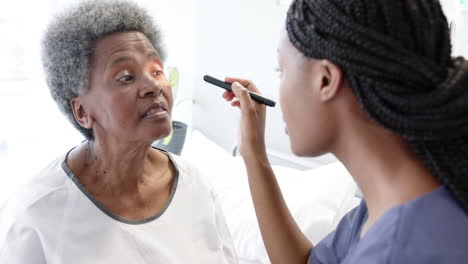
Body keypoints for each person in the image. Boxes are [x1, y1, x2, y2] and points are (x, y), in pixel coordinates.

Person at [222, 0, 468, 263]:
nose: (279, 90)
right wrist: (254, 154)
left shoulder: (398, 251)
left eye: (281, 71)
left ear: (325, 79)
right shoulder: (392, 202)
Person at [0, 1, 237, 263]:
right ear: (82, 112)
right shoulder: (36, 214)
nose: (153, 86)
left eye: (157, 71)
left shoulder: (196, 185)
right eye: (126, 77)